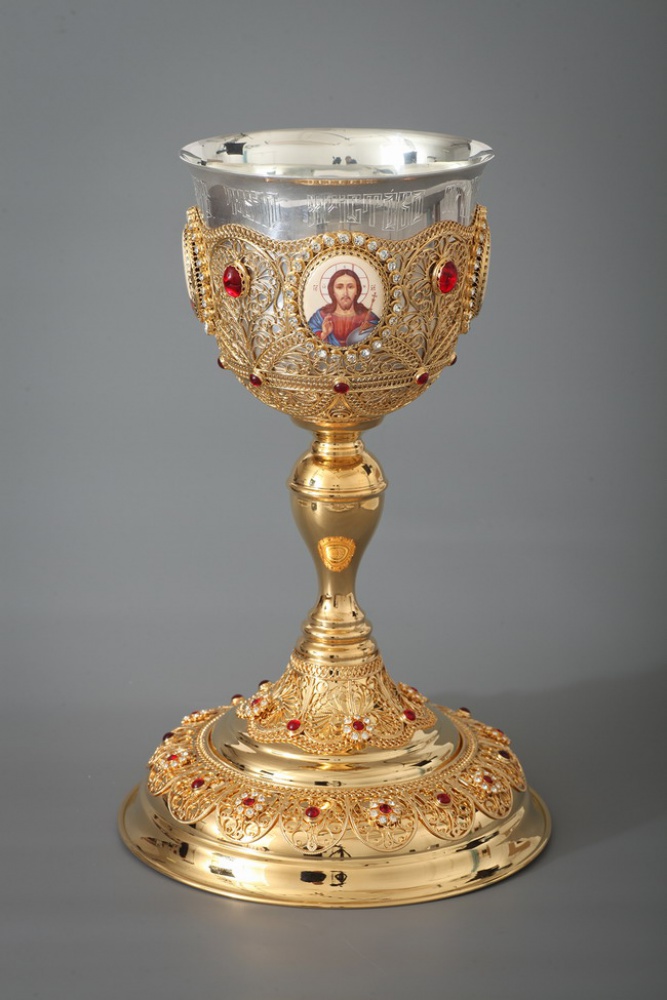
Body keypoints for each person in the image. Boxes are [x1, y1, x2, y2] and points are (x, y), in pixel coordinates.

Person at [307, 268, 380, 347]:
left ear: (357, 290)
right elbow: (309, 338)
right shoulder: (320, 317)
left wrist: (370, 327)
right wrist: (324, 334)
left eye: (350, 287)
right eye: (339, 287)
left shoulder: (368, 316)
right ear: (332, 291)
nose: (345, 293)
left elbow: (378, 334)